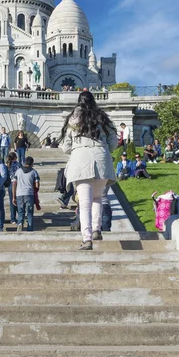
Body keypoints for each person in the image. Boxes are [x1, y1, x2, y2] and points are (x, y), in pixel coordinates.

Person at [61, 91, 118, 251]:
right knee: (98, 198)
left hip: (81, 159)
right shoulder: (103, 119)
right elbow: (114, 143)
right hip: (102, 159)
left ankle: (86, 239)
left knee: (84, 203)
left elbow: (66, 147)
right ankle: (96, 229)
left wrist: (77, 146)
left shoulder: (72, 120)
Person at [12, 156, 40, 232]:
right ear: (32, 163)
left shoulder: (18, 171)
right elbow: (37, 185)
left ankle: (20, 223)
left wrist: (13, 197)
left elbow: (14, 184)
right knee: (29, 213)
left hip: (19, 194)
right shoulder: (34, 172)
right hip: (29, 194)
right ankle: (29, 229)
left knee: (21, 212)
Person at [6, 152, 20, 224]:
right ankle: (20, 215)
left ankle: (13, 218)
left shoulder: (7, 165)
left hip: (10, 184)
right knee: (18, 201)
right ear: (15, 157)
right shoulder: (18, 164)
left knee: (12, 201)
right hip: (17, 183)